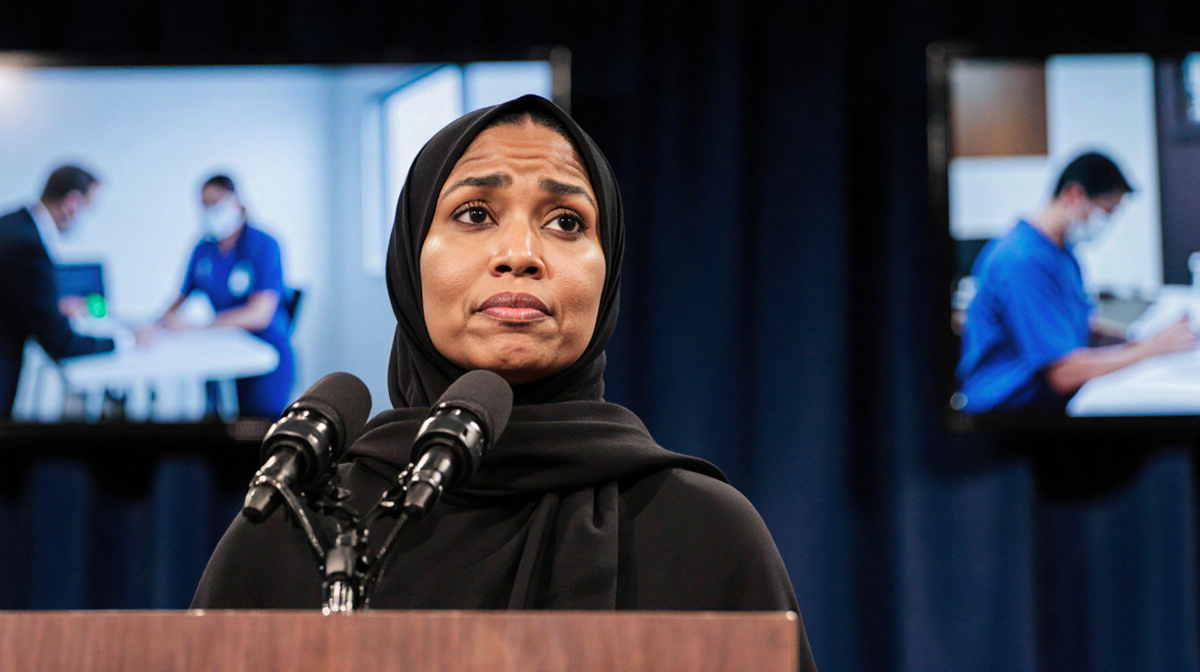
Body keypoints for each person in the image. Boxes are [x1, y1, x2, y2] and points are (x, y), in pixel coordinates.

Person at [192, 95, 816, 669]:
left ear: (609, 272)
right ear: (409, 257)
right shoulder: (297, 531)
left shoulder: (704, 533)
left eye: (566, 222)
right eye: (475, 213)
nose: (520, 253)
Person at [957, 152, 1197, 413]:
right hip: (1009, 412)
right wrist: (1151, 349)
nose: (1105, 223)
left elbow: (1065, 320)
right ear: (1074, 195)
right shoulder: (1021, 260)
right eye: (1104, 212)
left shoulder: (1060, 251)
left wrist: (1130, 341)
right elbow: (1062, 374)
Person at [152, 175, 295, 418]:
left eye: (216, 203)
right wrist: (157, 324)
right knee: (219, 420)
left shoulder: (264, 245)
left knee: (260, 425)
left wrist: (197, 327)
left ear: (236, 202)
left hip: (265, 351)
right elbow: (180, 298)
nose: (210, 211)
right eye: (204, 205)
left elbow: (259, 315)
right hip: (224, 351)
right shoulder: (203, 249)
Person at [0, 166, 119, 419]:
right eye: (88, 206)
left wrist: (51, 305)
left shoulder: (13, 225)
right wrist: (125, 340)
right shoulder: (27, 244)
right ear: (72, 202)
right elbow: (60, 342)